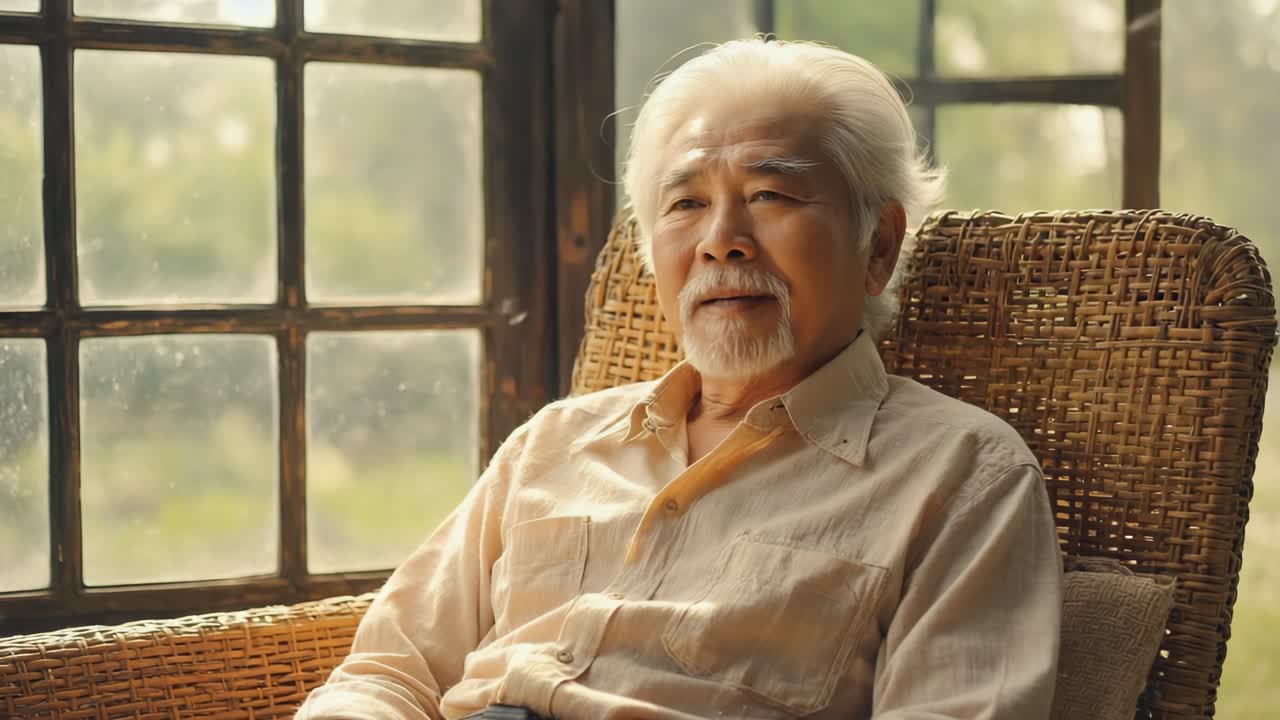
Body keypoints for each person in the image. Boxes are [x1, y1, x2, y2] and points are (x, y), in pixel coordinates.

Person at [296, 37, 1062, 720]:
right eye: (686, 204)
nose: (722, 242)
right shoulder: (552, 444)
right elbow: (386, 673)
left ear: (878, 245)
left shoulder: (963, 476)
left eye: (771, 196)